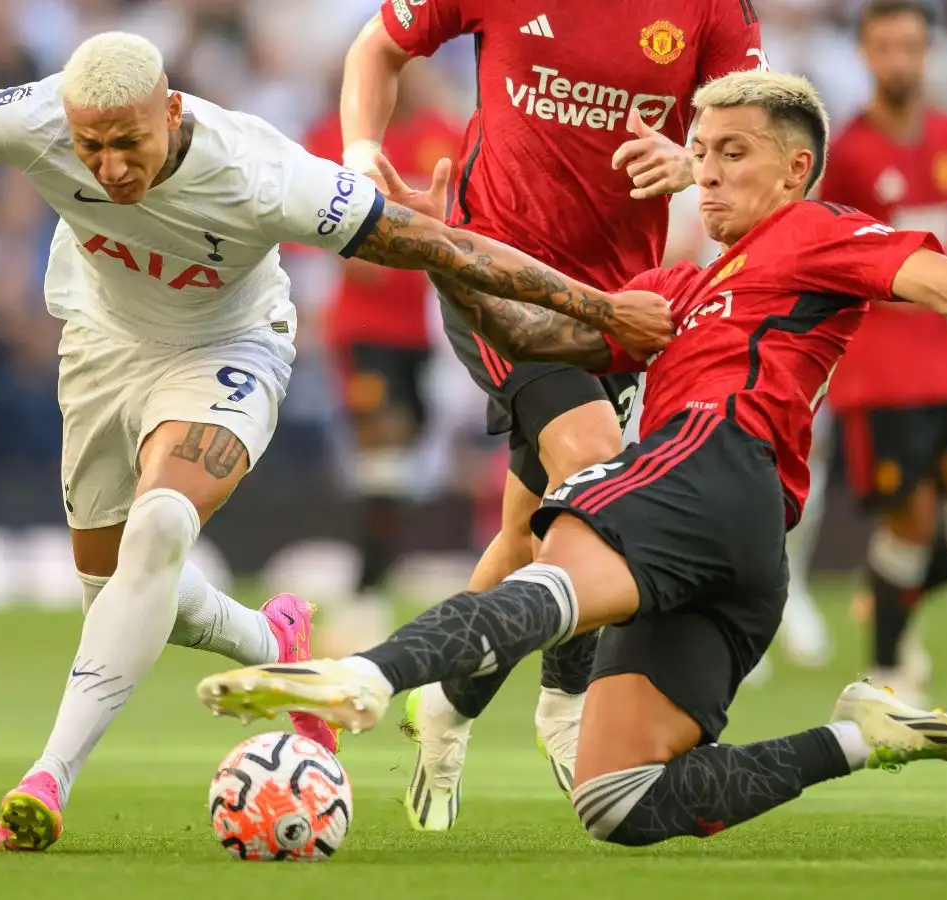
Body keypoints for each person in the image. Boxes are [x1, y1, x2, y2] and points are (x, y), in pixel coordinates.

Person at [0, 31, 674, 852]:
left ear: (172, 111)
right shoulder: (30, 119)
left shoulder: (266, 177)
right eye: (91, 148)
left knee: (163, 528)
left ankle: (46, 779)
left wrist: (597, 307)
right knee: (115, 593)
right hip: (102, 349)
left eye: (129, 141)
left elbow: (439, 243)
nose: (110, 167)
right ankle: (279, 644)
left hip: (228, 350)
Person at [195, 70, 947, 848]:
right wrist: (440, 247)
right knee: (621, 801)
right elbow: (538, 334)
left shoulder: (814, 234)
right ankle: (862, 736)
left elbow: (938, 276)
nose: (709, 173)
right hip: (738, 549)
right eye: (700, 155)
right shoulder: (679, 287)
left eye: (733, 153)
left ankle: (367, 675)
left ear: (795, 169)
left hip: (716, 460)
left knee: (552, 549)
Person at [340, 0, 768, 828]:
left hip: (617, 307)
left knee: (530, 530)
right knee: (596, 468)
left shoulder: (714, 8)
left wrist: (693, 159)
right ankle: (566, 704)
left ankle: (448, 707)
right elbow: (376, 47)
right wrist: (361, 161)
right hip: (495, 274)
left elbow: (752, 126)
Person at [819, 0, 947, 706]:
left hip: (946, 360)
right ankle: (890, 676)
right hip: (877, 368)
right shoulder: (846, 155)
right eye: (885, 47)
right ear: (865, 55)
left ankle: (890, 593)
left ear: (928, 53)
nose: (899, 59)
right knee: (912, 521)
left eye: (910, 46)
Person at [299, 72, 465, 654]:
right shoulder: (336, 140)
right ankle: (363, 600)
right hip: (363, 330)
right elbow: (330, 242)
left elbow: (468, 227)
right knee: (385, 455)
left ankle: (368, 591)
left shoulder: (446, 135)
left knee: (400, 468)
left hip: (428, 330)